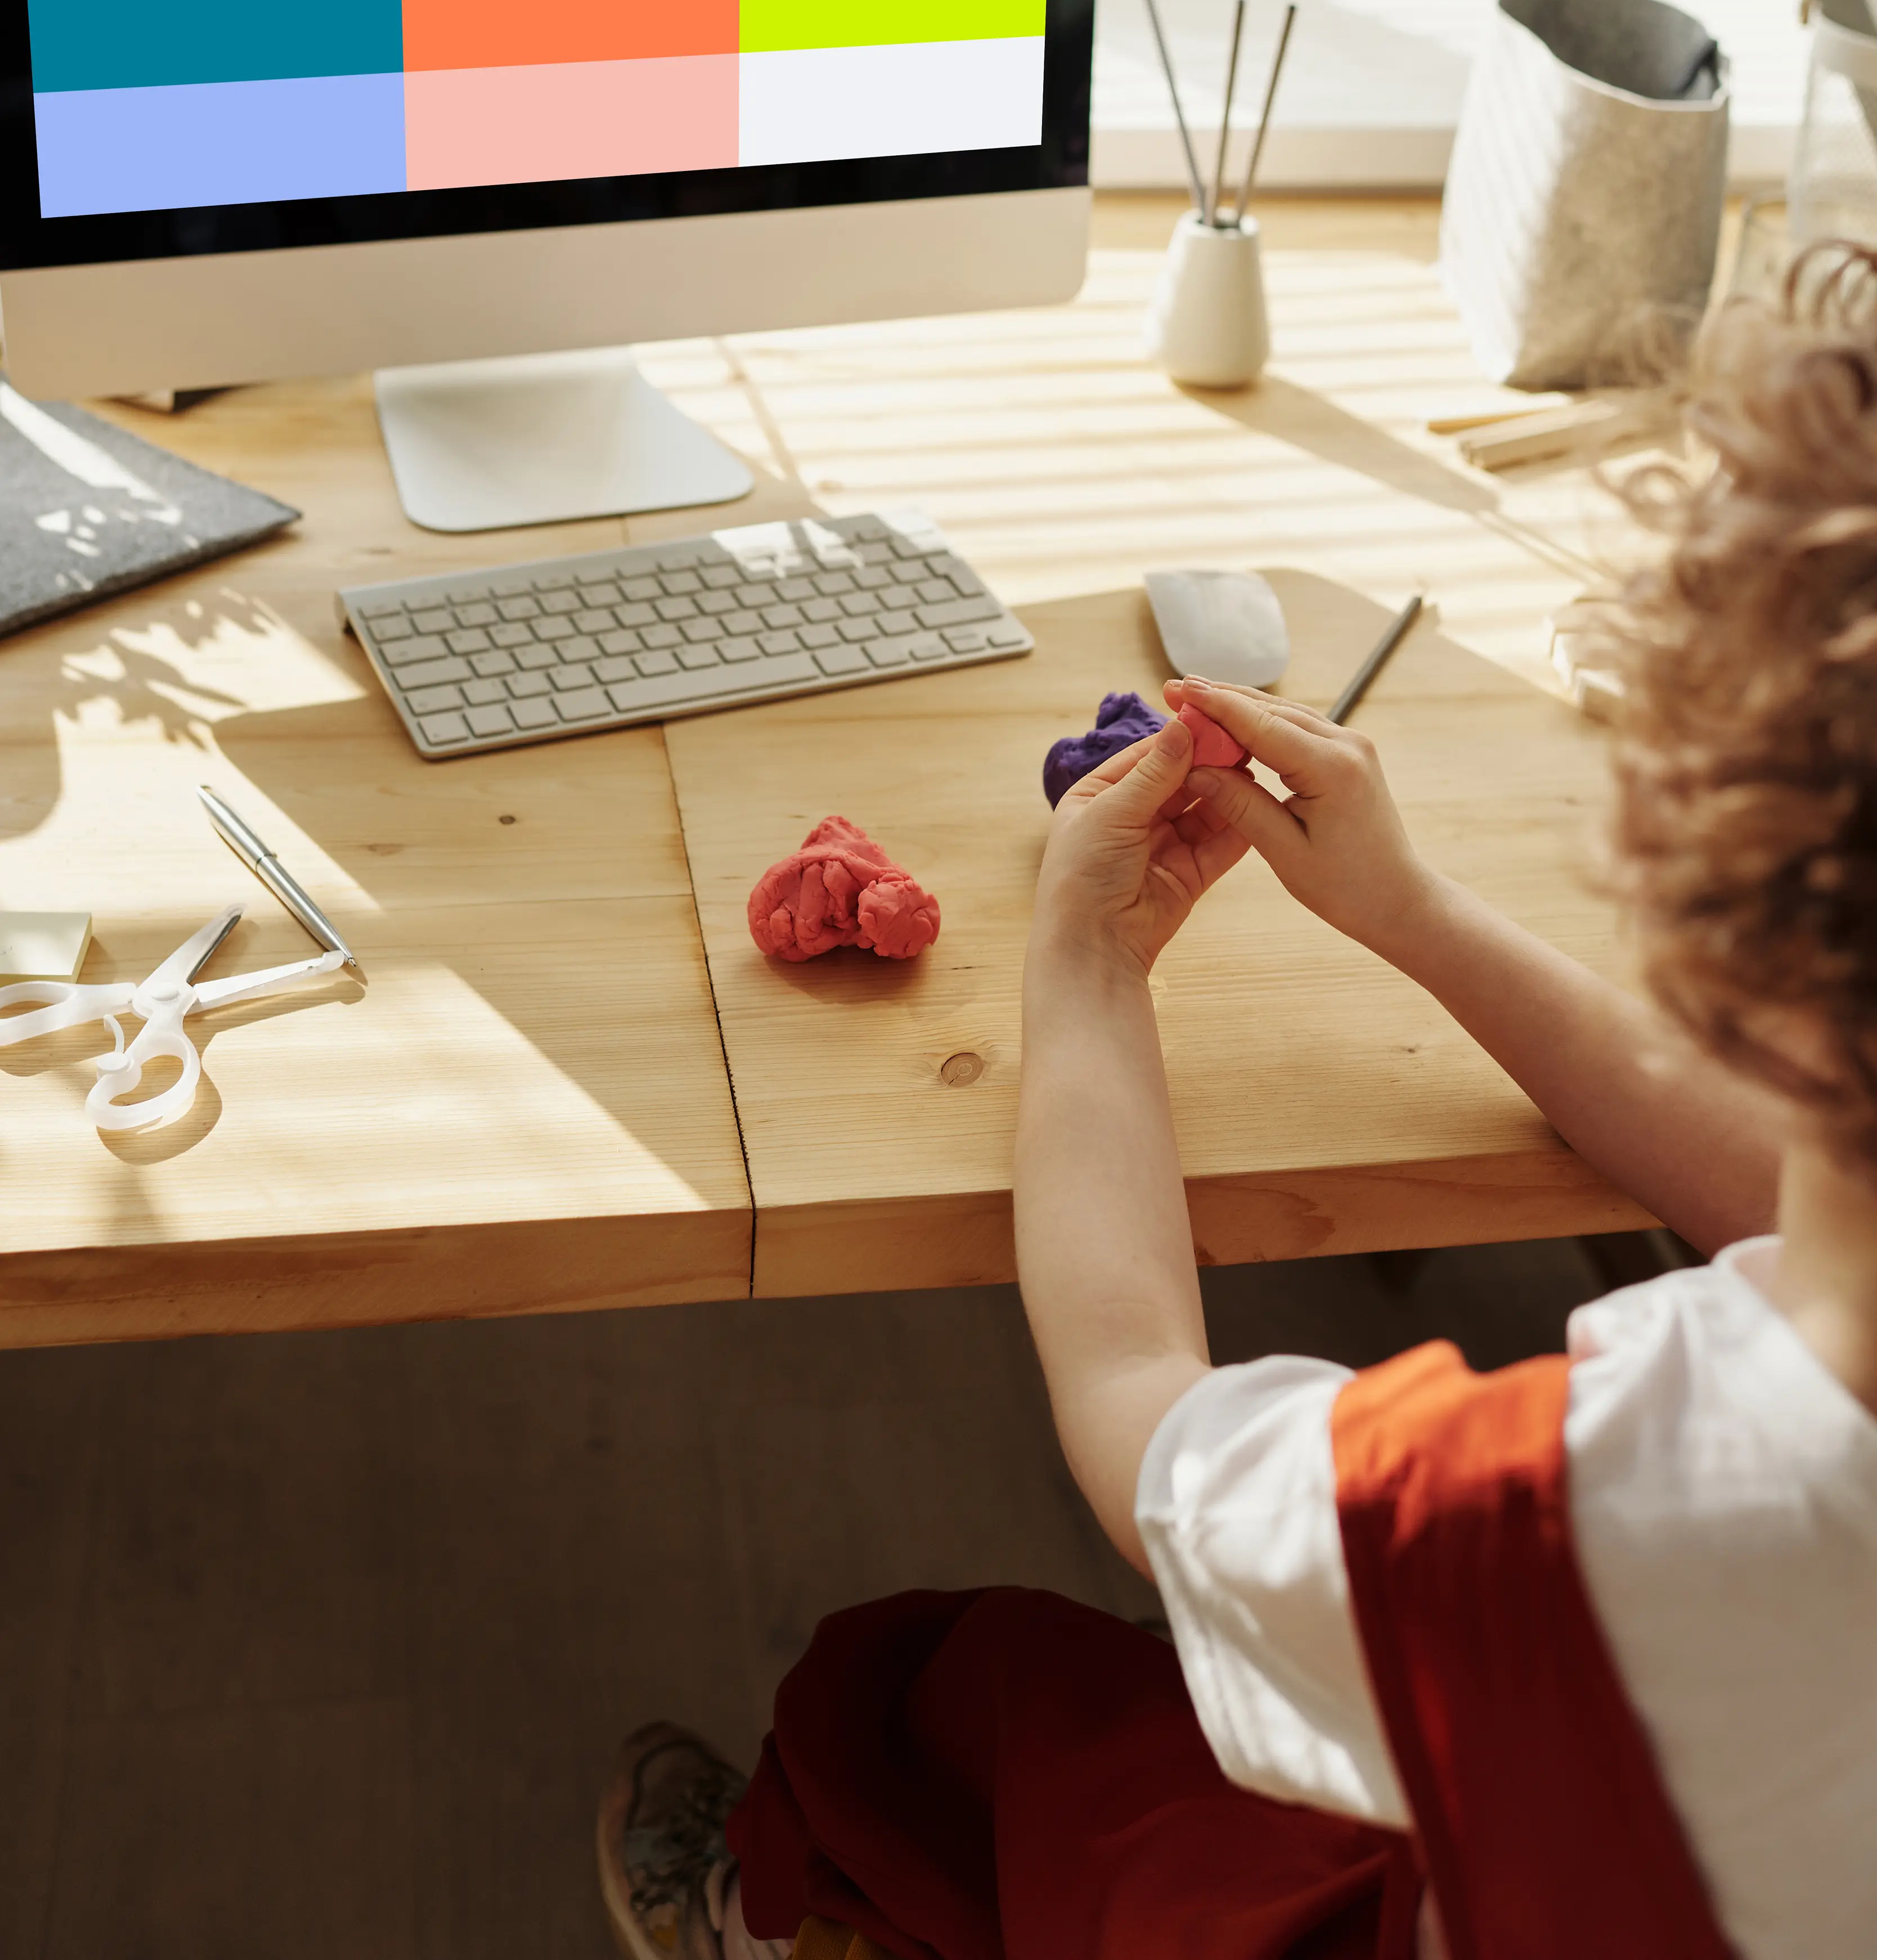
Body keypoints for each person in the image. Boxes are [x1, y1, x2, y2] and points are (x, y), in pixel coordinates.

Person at [599, 253, 1877, 1960]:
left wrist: (1085, 965)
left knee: (947, 1695)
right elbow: (1795, 1210)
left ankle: (777, 1913)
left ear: (1732, 955)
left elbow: (1139, 1405)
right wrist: (1417, 918)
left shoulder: (1549, 1532)